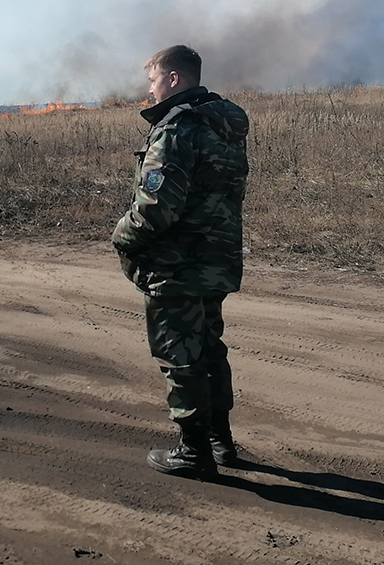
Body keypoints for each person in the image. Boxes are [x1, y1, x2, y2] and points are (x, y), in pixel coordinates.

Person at [111, 45, 249, 480]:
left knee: (180, 355)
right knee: (209, 348)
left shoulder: (177, 129)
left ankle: (193, 452)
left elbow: (157, 208)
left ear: (174, 79)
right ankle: (218, 440)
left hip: (177, 264)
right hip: (216, 258)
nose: (149, 90)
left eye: (152, 80)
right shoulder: (223, 124)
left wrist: (122, 236)